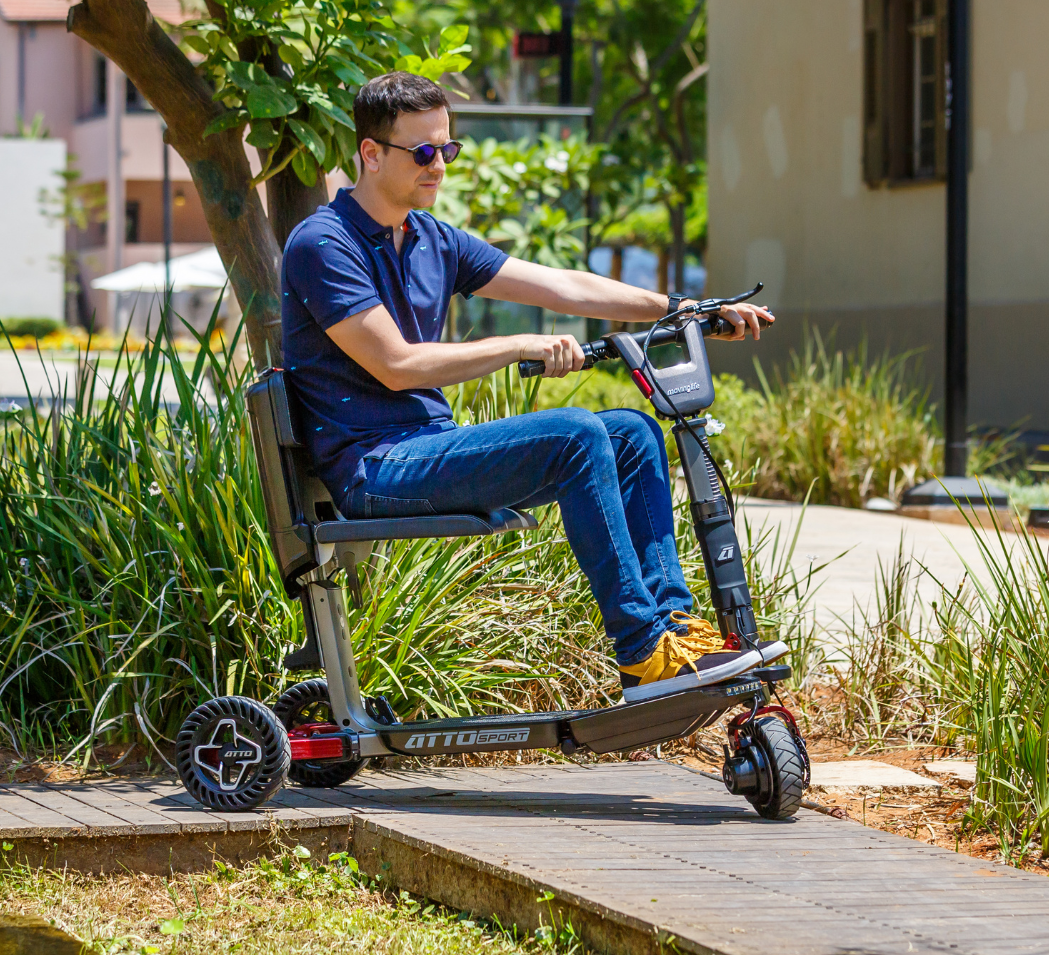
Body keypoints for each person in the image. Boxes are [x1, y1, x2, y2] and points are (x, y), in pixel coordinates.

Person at [281, 71, 780, 704]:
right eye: (424, 153)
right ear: (371, 154)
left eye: (448, 150)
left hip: (429, 448)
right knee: (574, 434)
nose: (440, 166)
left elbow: (563, 285)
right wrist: (517, 347)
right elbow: (397, 366)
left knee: (629, 433)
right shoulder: (325, 244)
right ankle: (641, 649)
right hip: (373, 468)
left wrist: (681, 307)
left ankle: (675, 629)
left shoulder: (432, 238)